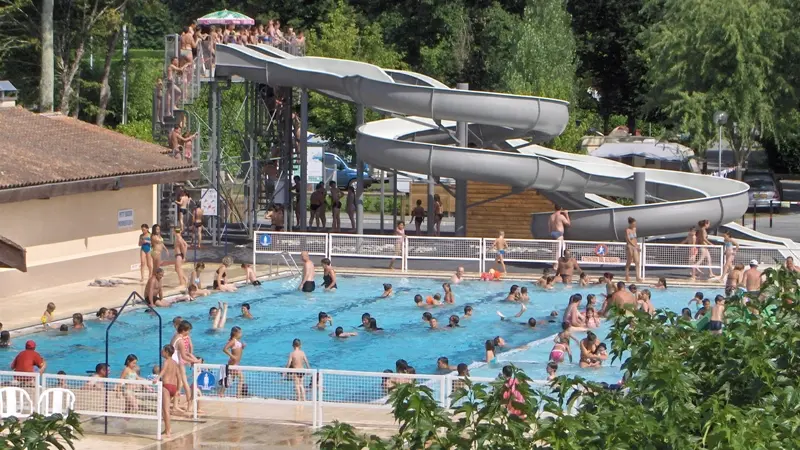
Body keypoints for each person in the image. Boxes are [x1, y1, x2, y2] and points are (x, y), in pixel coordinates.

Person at [154, 344, 181, 437]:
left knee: (166, 410)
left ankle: (168, 431)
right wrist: (178, 389)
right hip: (173, 387)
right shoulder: (175, 363)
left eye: (163, 350)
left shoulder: (166, 361)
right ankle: (167, 429)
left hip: (166, 386)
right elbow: (178, 376)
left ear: (166, 352)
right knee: (164, 409)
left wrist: (157, 378)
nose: (161, 352)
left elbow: (163, 371)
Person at [221, 326, 246, 396]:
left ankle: (221, 393)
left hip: (236, 364)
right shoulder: (233, 341)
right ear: (235, 333)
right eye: (240, 333)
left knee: (230, 380)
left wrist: (242, 347)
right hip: (233, 364)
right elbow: (225, 349)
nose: (241, 334)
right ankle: (238, 395)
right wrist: (232, 356)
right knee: (241, 378)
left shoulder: (237, 341)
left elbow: (237, 351)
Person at [624, 217, 642, 282]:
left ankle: (637, 277)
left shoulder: (634, 229)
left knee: (637, 262)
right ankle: (627, 276)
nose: (635, 225)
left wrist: (637, 246)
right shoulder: (627, 230)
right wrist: (634, 246)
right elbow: (628, 239)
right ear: (630, 224)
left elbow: (635, 239)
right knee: (629, 262)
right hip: (630, 246)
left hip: (635, 246)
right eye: (634, 224)